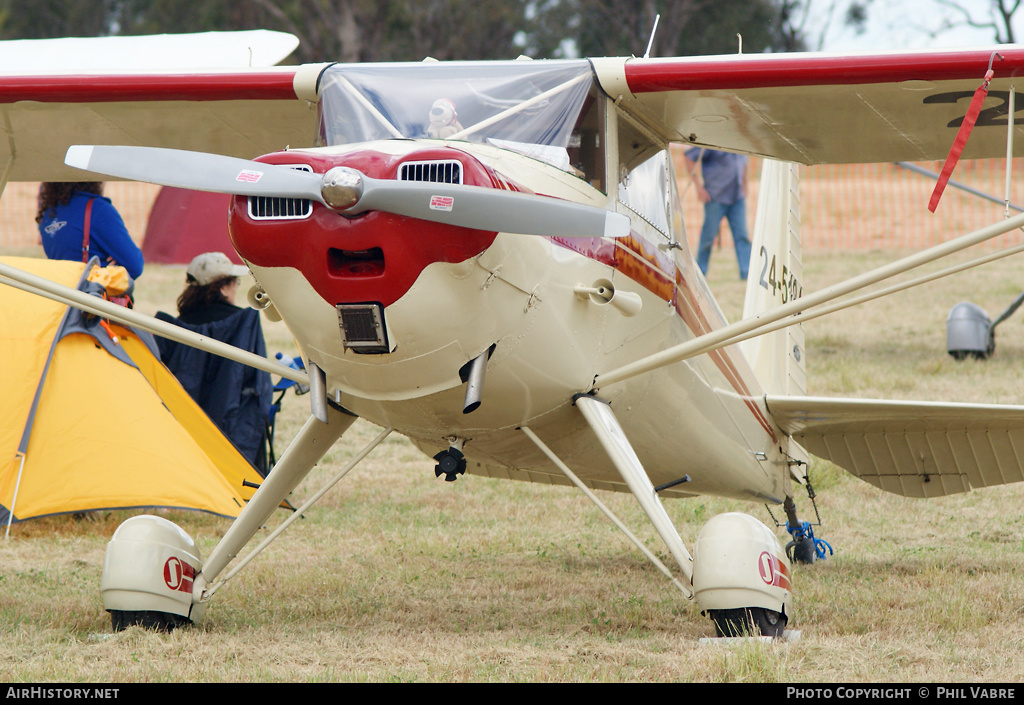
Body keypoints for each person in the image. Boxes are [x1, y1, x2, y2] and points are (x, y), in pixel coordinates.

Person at [156, 252, 274, 474]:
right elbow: (258, 380)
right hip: (232, 425)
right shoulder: (242, 324)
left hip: (184, 425)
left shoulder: (175, 326)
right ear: (222, 287)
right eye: (235, 282)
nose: (238, 287)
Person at [36, 182, 144, 279]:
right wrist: (116, 264)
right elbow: (135, 266)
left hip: (61, 295)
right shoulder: (98, 209)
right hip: (91, 297)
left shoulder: (48, 215)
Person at [683, 148, 752, 280]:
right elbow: (689, 156)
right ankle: (699, 274)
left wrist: (745, 185)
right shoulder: (713, 142)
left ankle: (747, 274)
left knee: (742, 236)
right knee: (708, 238)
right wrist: (699, 187)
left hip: (737, 198)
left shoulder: (741, 142)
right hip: (715, 198)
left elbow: (745, 162)